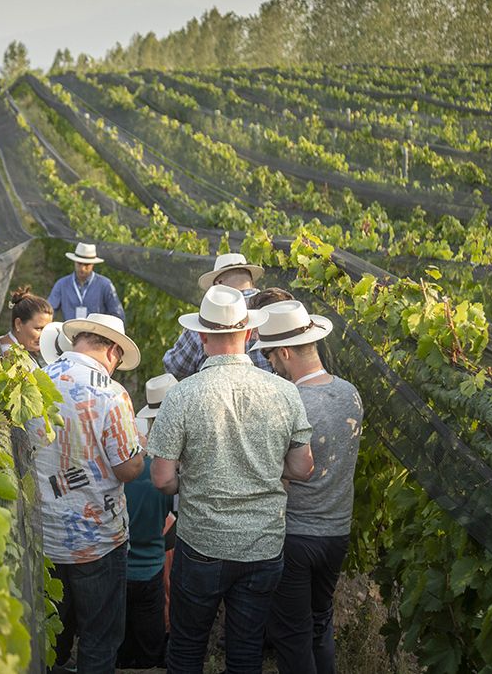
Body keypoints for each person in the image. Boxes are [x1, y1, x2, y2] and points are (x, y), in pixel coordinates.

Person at [147, 285, 314, 673]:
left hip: (202, 542)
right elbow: (304, 467)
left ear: (202, 337)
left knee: (188, 649)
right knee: (245, 651)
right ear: (251, 334)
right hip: (263, 545)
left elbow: (161, 479)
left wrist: (188, 481)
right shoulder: (284, 393)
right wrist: (267, 468)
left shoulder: (182, 396)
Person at [26, 313, 144, 673]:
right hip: (97, 540)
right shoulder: (110, 393)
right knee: (100, 636)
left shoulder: (34, 380)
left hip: (43, 534)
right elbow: (126, 468)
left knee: (51, 631)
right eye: (118, 361)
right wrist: (140, 452)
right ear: (111, 349)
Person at [254, 301, 363, 674]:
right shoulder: (350, 393)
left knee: (291, 633)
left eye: (269, 354)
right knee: (320, 623)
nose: (269, 363)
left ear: (285, 352)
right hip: (337, 531)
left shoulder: (290, 403)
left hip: (296, 533)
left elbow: (275, 470)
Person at [118, 373, 178, 670]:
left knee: (123, 621)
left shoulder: (130, 465)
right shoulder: (165, 474)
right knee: (152, 624)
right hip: (154, 563)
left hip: (123, 561)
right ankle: (150, 659)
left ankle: (124, 658)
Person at [162, 254, 284, 380]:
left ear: (218, 283)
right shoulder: (277, 309)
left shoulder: (206, 321)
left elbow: (175, 367)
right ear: (251, 281)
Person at [47, 242, 126, 323]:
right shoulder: (62, 284)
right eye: (79, 263)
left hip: (96, 332)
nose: (82, 268)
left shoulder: (105, 285)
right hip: (69, 332)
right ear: (74, 262)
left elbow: (118, 315)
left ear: (93, 264)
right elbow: (49, 311)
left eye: (86, 264)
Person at [0, 285, 54, 368]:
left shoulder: (3, 344)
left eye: (46, 329)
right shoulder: (10, 357)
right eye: (38, 329)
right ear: (18, 324)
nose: (43, 335)